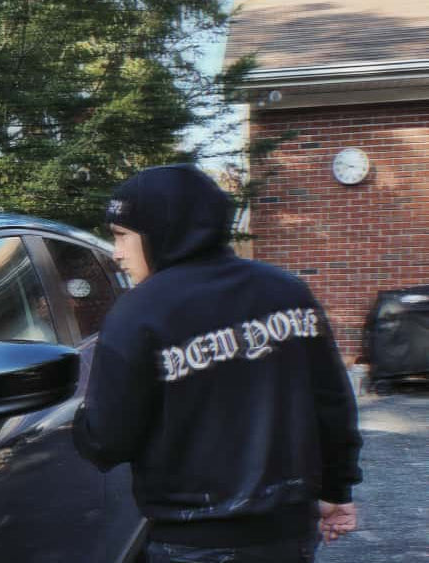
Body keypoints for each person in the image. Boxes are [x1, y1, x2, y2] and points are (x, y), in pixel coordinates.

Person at [73, 164, 362, 563]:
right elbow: (332, 402)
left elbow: (108, 441)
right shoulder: (288, 291)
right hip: (287, 533)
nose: (116, 252)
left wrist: (82, 422)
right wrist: (337, 490)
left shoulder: (138, 312)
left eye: (122, 235)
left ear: (160, 230)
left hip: (193, 540)